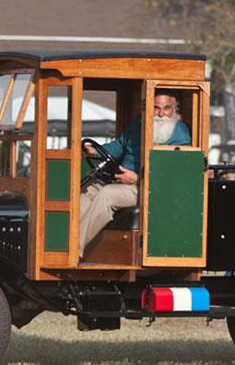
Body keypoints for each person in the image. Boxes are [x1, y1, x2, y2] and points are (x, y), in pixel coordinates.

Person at [79, 92, 191, 258]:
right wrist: (95, 151)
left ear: (174, 109)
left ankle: (74, 250)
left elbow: (174, 172)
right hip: (122, 181)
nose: (161, 114)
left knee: (108, 194)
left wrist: (139, 179)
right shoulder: (140, 122)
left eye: (166, 108)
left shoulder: (179, 135)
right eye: (156, 108)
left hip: (152, 190)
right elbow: (120, 145)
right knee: (89, 190)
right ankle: (62, 245)